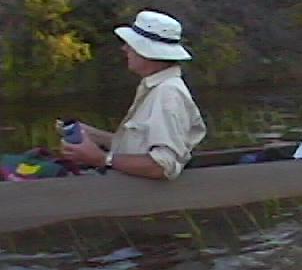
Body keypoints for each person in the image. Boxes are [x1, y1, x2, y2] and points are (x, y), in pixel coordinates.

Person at [62, 10, 207, 179]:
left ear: (148, 52)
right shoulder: (155, 88)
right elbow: (138, 147)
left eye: (131, 44)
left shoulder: (167, 94)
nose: (125, 48)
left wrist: (101, 159)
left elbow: (162, 166)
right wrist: (93, 135)